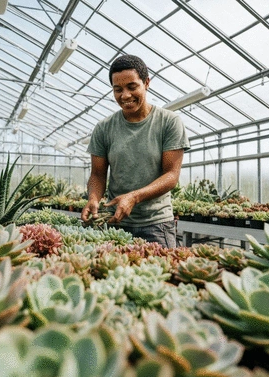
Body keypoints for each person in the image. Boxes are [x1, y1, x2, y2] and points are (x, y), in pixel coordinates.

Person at [81, 54, 190, 248]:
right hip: (115, 223)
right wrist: (93, 198)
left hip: (156, 225)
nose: (125, 96)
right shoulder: (104, 128)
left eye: (132, 87)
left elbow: (171, 175)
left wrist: (134, 197)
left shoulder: (169, 122)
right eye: (118, 89)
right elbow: (97, 174)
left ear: (146, 83)